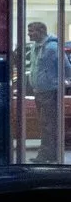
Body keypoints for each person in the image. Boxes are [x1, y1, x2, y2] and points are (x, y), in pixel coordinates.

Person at [31, 20, 63, 163]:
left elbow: (66, 67)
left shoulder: (52, 47)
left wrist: (55, 81)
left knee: (48, 124)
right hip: (39, 92)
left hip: (49, 92)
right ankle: (49, 154)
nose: (29, 34)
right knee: (45, 124)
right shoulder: (35, 47)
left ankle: (46, 155)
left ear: (41, 31)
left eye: (32, 31)